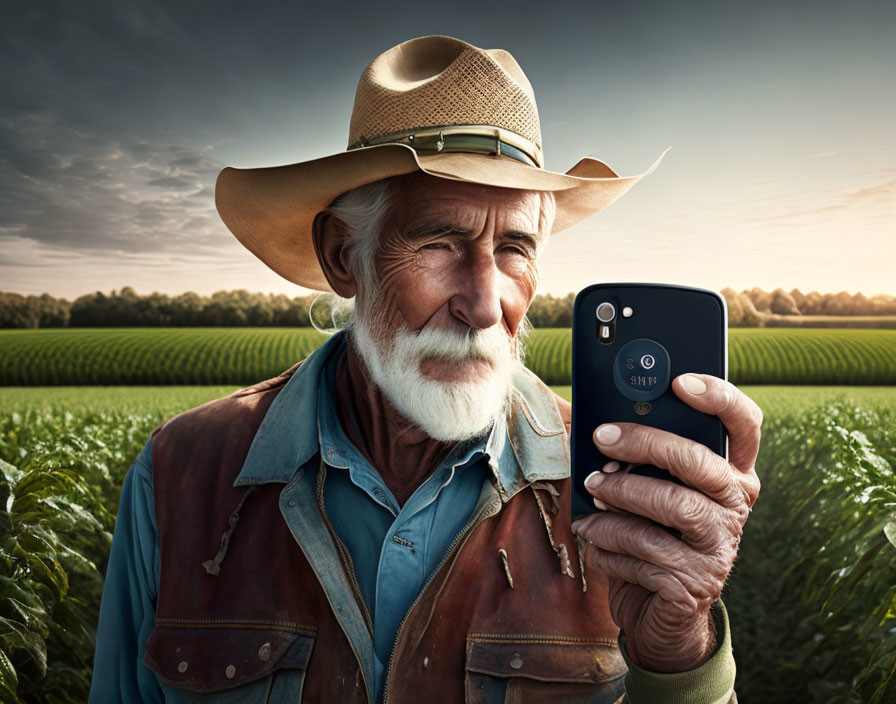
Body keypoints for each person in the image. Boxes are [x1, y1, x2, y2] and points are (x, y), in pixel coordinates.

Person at [90, 35, 761, 703]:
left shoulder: (614, 492)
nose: (483, 302)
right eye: (440, 240)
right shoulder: (180, 475)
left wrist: (677, 659)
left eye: (514, 247)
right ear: (341, 255)